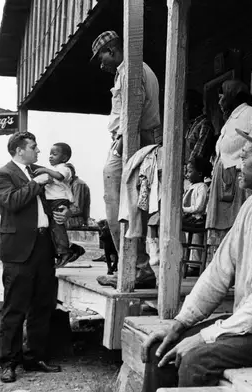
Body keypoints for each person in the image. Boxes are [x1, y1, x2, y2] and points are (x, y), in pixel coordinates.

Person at [140, 117, 252, 390]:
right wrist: (181, 323)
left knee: (195, 360)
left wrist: (205, 337)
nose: (237, 164)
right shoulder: (251, 206)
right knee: (161, 348)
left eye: (244, 156)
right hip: (246, 324)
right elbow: (218, 272)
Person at [0, 131, 71, 383]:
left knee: (42, 305)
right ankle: (9, 362)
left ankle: (35, 357)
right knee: (14, 308)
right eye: (33, 147)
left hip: (43, 245)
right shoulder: (2, 174)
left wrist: (63, 212)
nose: (38, 151)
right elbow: (11, 202)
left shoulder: (39, 171)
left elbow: (57, 197)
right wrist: (38, 182)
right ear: (19, 150)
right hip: (18, 250)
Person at [91, 30, 160, 289]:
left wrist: (121, 141)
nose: (101, 64)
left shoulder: (130, 69)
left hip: (132, 141)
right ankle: (134, 266)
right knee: (130, 207)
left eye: (102, 56)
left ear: (112, 50)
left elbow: (135, 105)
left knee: (118, 205)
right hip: (137, 139)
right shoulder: (134, 69)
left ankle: (135, 268)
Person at [205, 80, 252, 252]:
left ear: (232, 96)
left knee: (239, 230)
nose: (219, 102)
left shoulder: (251, 114)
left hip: (237, 182)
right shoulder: (231, 119)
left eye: (222, 97)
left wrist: (247, 162)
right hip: (224, 182)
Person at [33, 142, 83, 265]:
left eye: (54, 154)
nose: (50, 156)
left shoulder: (65, 168)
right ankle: (63, 250)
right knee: (51, 227)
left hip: (59, 200)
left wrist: (45, 170)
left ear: (64, 158)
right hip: (51, 201)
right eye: (50, 154)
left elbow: (60, 177)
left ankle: (65, 251)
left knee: (57, 226)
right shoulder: (54, 169)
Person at [184, 90, 217, 167]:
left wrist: (189, 168)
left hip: (196, 173)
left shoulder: (205, 124)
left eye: (187, 106)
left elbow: (198, 154)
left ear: (195, 106)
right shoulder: (191, 126)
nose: (185, 109)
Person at [182, 157, 212, 228]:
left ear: (199, 173)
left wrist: (183, 209)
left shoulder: (202, 187)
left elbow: (199, 208)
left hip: (197, 219)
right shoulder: (190, 186)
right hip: (189, 216)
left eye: (190, 172)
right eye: (187, 172)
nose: (187, 175)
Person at [64, 163, 91, 229]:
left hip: (77, 221)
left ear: (72, 173)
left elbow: (77, 208)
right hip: (71, 219)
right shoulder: (68, 184)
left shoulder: (78, 184)